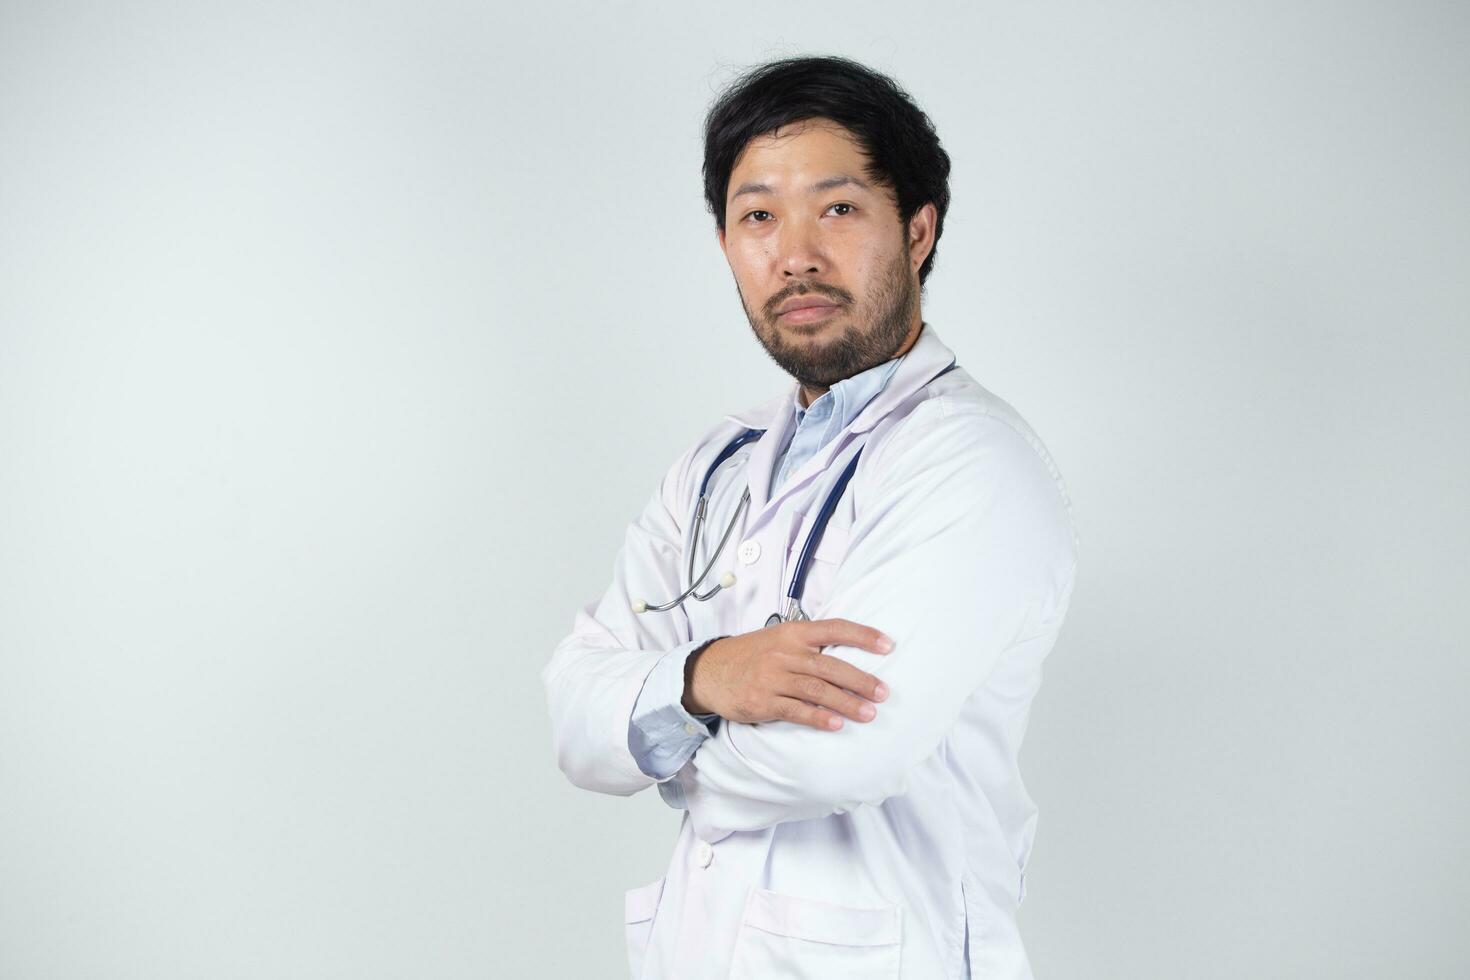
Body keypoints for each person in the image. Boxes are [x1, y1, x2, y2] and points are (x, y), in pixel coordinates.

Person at [541, 54, 1079, 979]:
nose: (795, 255)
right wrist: (712, 674)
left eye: (836, 208)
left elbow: (838, 763)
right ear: (726, 246)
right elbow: (573, 717)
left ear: (917, 229)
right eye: (758, 217)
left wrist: (660, 725)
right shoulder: (717, 464)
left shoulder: (970, 463)